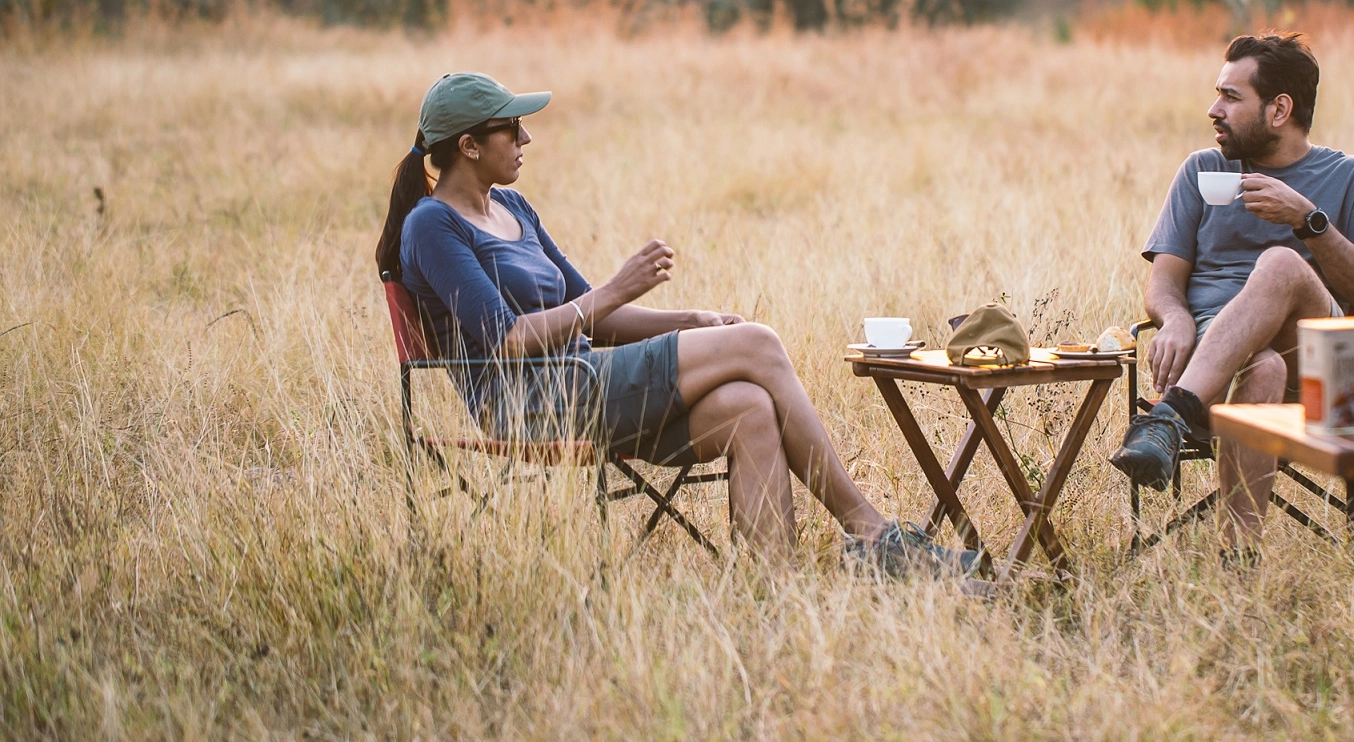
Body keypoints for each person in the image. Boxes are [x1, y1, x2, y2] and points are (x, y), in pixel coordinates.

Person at [375, 72, 978, 574]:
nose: (526, 136)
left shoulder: (511, 206)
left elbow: (598, 314)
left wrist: (692, 319)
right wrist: (615, 289)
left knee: (749, 405)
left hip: (588, 378)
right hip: (532, 399)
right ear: (470, 146)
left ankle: (777, 595)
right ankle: (870, 535)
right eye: (511, 127)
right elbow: (506, 341)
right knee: (759, 343)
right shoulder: (432, 226)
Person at [1109, 33, 1354, 549]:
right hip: (1214, 360)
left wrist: (1308, 222)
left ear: (1279, 109)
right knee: (1263, 367)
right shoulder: (1202, 171)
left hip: (1325, 371)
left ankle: (1170, 416)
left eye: (1231, 97)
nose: (1213, 109)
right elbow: (1163, 284)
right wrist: (1174, 319)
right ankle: (1238, 561)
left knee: (1283, 263)